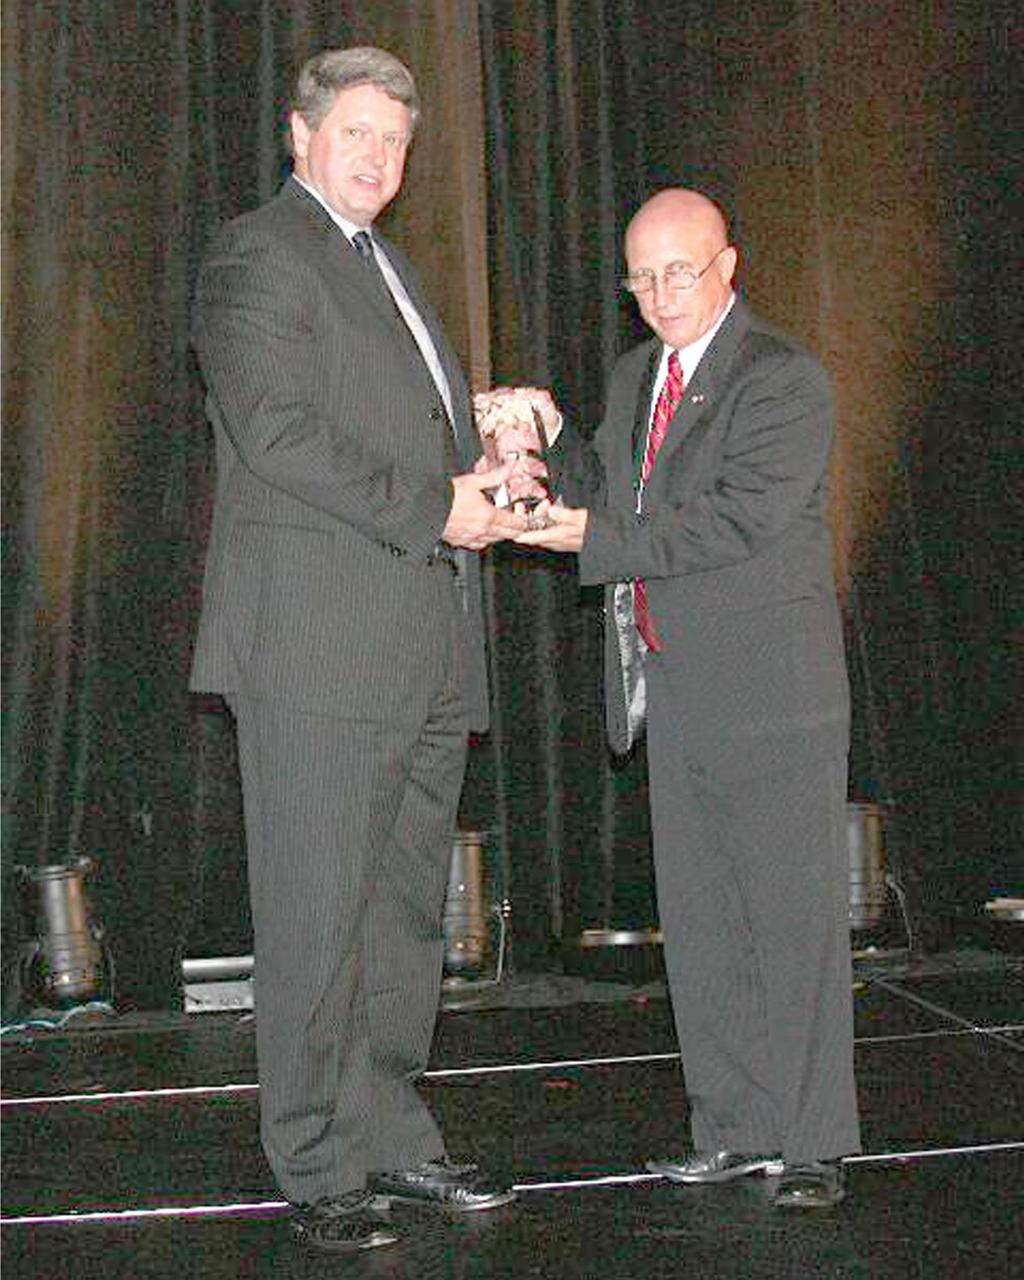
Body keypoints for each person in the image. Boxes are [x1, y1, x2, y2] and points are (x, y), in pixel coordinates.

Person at [190, 46, 527, 1255]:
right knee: (317, 917)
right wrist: (439, 504)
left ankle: (393, 1134)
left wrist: (490, 481)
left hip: (420, 650)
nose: (378, 158)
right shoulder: (255, 254)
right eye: (356, 133)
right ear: (300, 134)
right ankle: (318, 1156)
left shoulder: (393, 271)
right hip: (316, 653)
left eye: (395, 139)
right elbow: (277, 432)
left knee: (399, 923)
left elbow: (405, 438)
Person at [506, 187, 861, 1209]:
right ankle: (733, 1124)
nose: (662, 292)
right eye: (643, 275)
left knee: (789, 925)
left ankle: (809, 1142)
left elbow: (728, 522)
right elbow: (612, 490)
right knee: (700, 924)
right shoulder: (635, 375)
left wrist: (587, 538)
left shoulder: (783, 380)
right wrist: (542, 434)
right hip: (678, 691)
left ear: (729, 265)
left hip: (775, 696)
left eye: (682, 269)